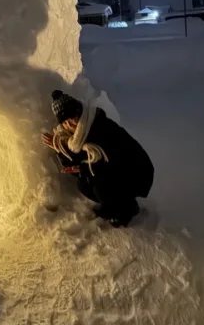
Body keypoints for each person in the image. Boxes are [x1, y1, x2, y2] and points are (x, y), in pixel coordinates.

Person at [42, 90, 154, 226]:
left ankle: (124, 212)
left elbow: (112, 164)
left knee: (100, 184)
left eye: (71, 117)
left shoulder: (100, 128)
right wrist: (60, 148)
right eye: (64, 122)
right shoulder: (76, 137)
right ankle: (126, 204)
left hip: (137, 172)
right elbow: (77, 163)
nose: (68, 124)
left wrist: (84, 169)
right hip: (118, 172)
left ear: (79, 112)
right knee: (84, 184)